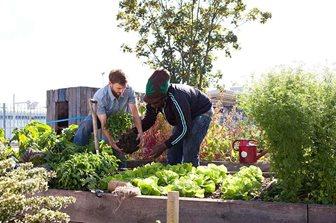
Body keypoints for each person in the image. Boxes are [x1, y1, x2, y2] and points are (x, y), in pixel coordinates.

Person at [140, 69, 213, 166]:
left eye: (155, 102)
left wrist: (163, 146)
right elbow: (149, 120)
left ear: (164, 97)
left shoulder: (177, 98)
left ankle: (192, 177)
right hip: (185, 116)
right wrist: (135, 131)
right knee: (173, 150)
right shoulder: (153, 101)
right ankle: (174, 176)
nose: (152, 105)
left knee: (189, 150)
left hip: (201, 112)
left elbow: (184, 129)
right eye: (151, 102)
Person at [73, 69, 144, 166]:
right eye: (119, 88)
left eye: (123, 88)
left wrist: (140, 131)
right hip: (99, 117)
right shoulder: (100, 96)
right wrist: (110, 141)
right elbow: (104, 124)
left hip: (116, 119)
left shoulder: (129, 91)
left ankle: (122, 168)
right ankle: (76, 154)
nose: (122, 91)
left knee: (118, 144)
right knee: (86, 125)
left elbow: (135, 113)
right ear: (110, 83)